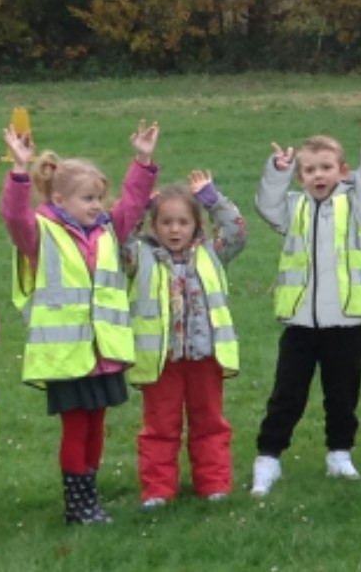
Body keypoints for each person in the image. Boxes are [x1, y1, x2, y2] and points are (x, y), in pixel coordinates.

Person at [2, 120, 158, 523]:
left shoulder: (108, 230)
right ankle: (78, 506)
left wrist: (142, 160)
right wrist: (19, 170)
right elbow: (14, 218)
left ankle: (90, 499)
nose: (96, 206)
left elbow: (132, 205)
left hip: (102, 351)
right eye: (88, 198)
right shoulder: (41, 233)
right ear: (57, 198)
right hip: (66, 356)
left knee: (96, 426)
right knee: (76, 429)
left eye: (99, 198)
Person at [250, 100, 361, 495]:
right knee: (286, 395)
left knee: (343, 394)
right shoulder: (292, 210)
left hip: (346, 323)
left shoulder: (358, 207)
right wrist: (276, 173)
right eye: (309, 170)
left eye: (327, 167)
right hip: (299, 324)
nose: (318, 175)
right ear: (300, 177)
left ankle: (339, 453)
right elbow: (266, 205)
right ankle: (268, 457)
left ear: (343, 172)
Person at [127, 171, 247, 507]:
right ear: (154, 225)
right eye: (165, 222)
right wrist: (140, 203)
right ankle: (158, 490)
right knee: (159, 428)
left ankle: (213, 483)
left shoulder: (211, 253)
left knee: (209, 423)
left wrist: (212, 198)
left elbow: (237, 231)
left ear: (196, 225)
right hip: (160, 360)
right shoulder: (139, 256)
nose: (174, 229)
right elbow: (118, 233)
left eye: (182, 222)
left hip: (206, 357)